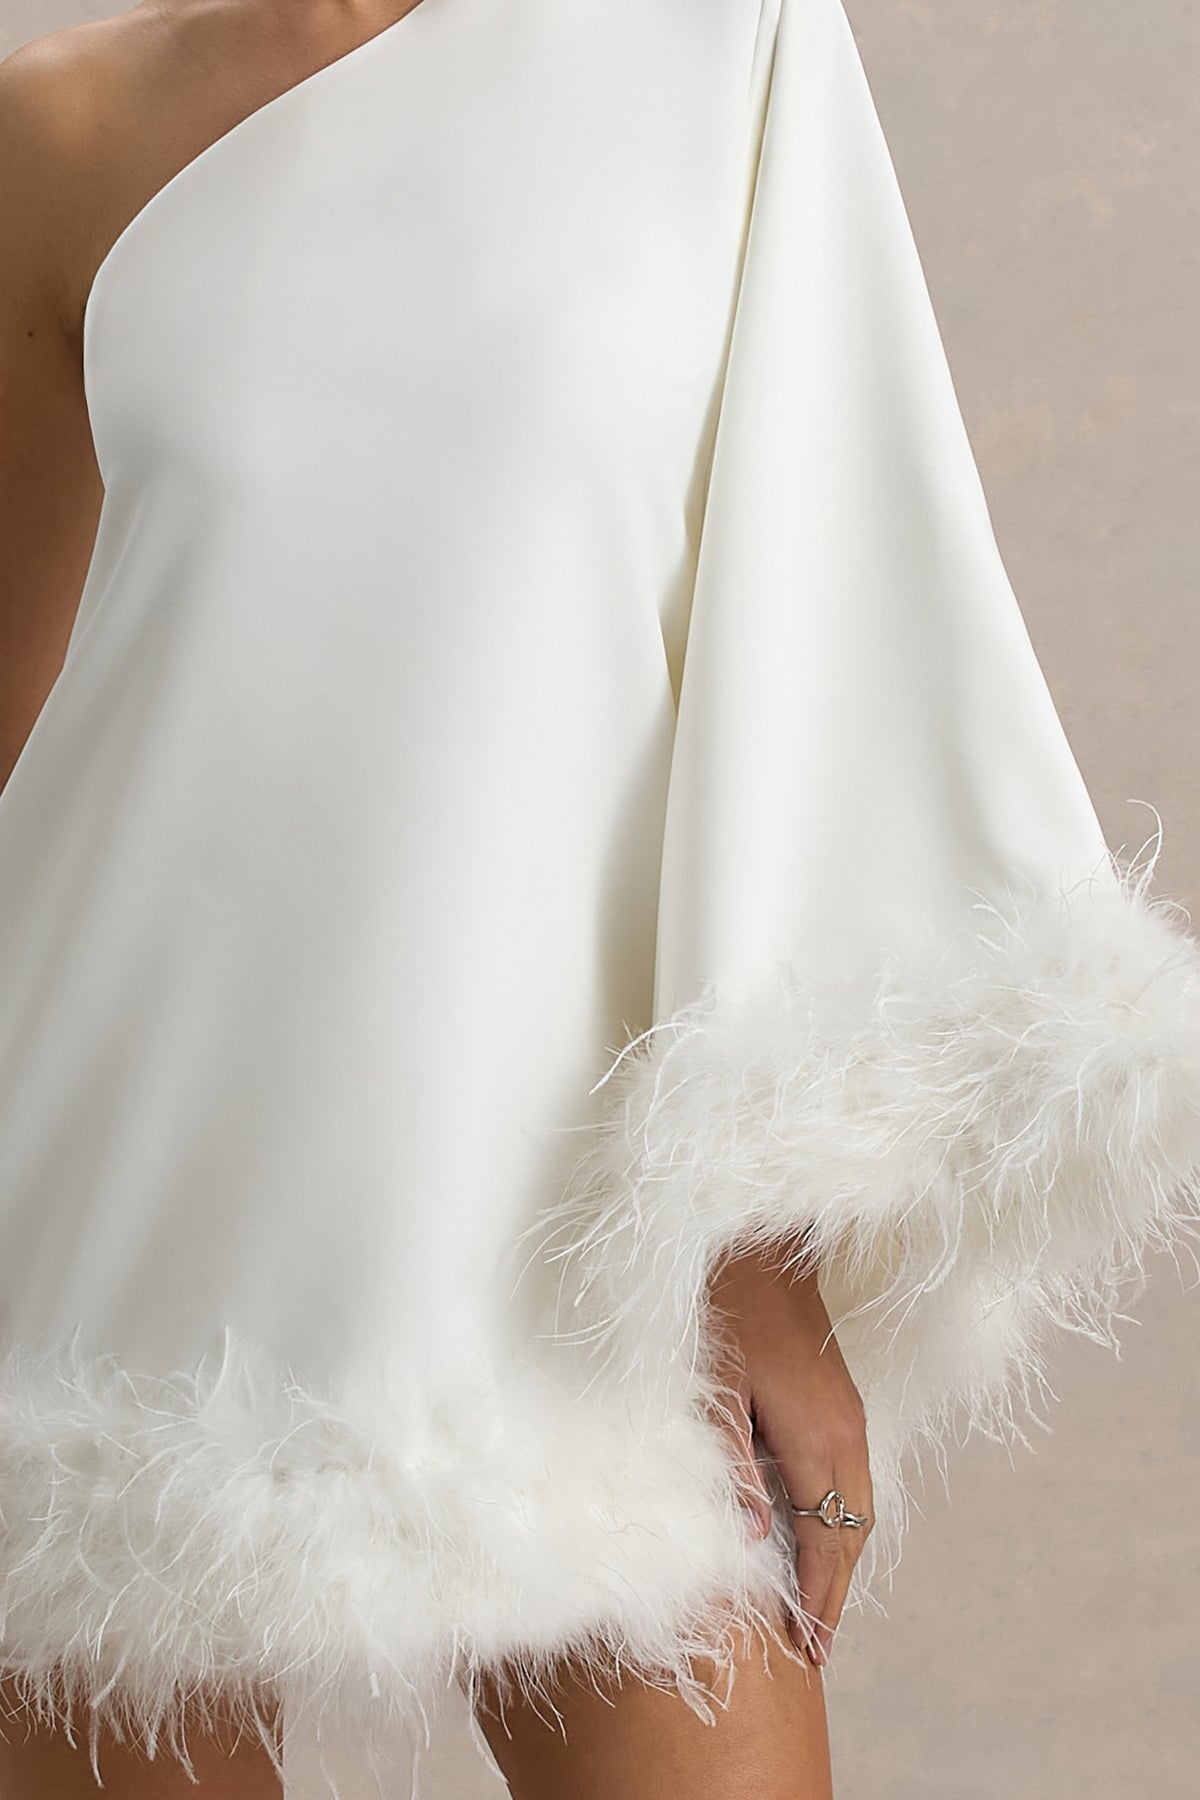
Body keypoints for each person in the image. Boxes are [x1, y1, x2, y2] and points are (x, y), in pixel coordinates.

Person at [0, 2, 1196, 1796]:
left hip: (565, 1206)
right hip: (114, 1181)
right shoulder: (58, 132)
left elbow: (809, 623)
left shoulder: (717, 43)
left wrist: (752, 1244)